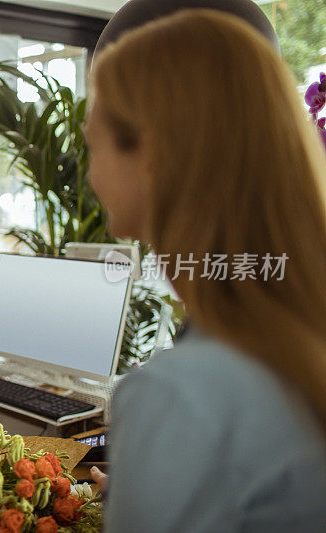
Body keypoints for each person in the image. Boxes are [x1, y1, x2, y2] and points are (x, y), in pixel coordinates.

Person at [84, 9, 326, 532]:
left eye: (92, 141)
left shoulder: (178, 398)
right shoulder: (295, 334)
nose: (89, 173)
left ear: (149, 154)